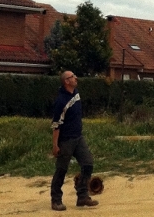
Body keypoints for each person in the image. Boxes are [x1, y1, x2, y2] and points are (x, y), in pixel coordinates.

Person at [50, 70, 98, 210]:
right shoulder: (61, 101)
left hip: (79, 137)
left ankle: (82, 196)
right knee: (61, 169)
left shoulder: (76, 93)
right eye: (72, 77)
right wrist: (55, 145)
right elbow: (56, 125)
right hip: (66, 140)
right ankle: (56, 200)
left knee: (88, 163)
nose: (76, 78)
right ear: (66, 81)